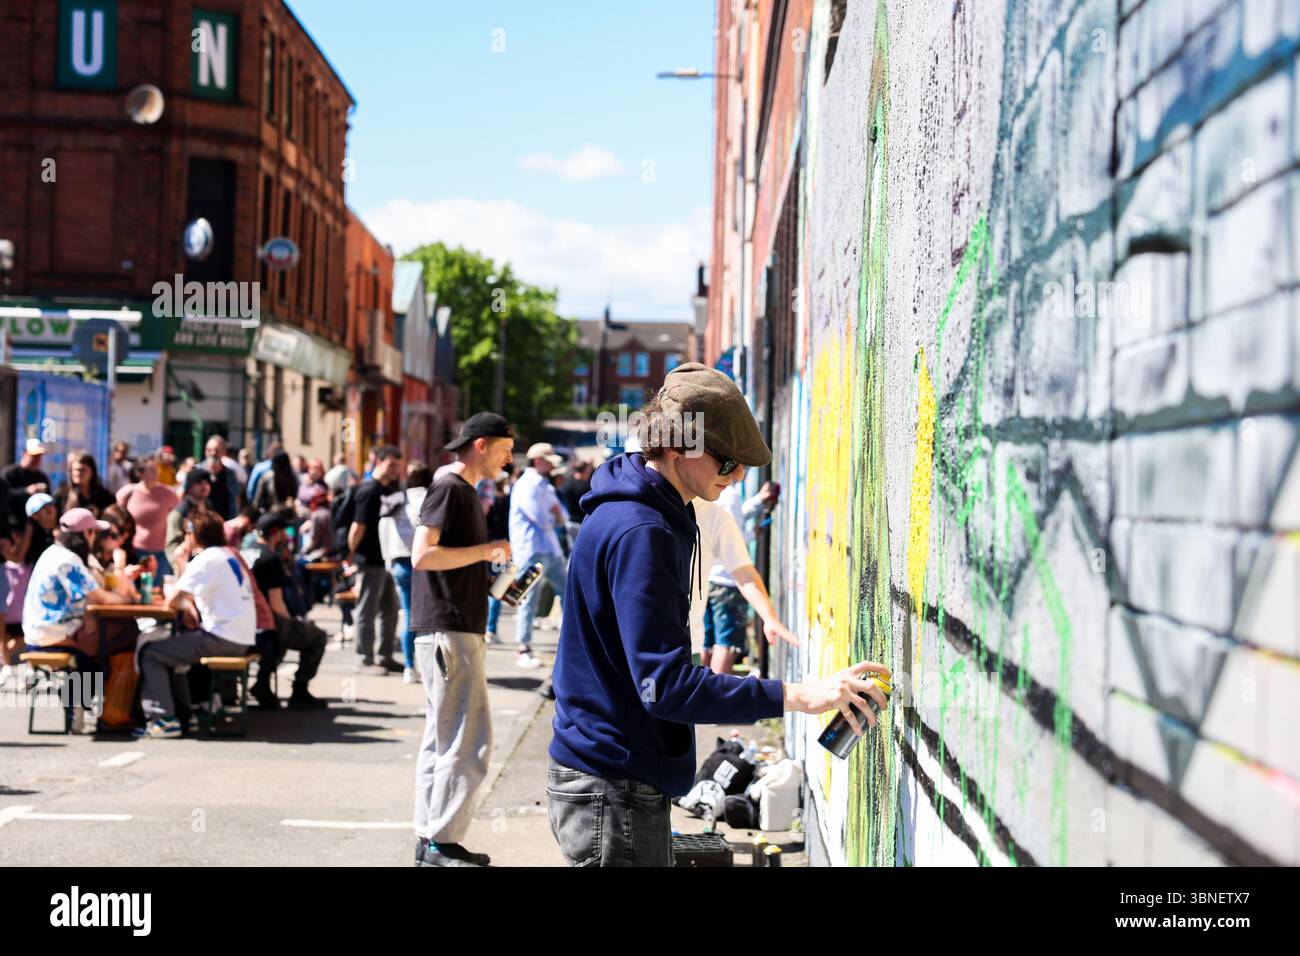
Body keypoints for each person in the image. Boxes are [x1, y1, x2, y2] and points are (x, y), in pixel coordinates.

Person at [547, 363, 890, 866]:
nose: (738, 477)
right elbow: (665, 686)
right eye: (728, 462)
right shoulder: (642, 530)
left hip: (612, 777)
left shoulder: (643, 511)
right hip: (610, 787)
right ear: (677, 445)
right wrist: (797, 695)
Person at [409, 411, 515, 867]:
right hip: (448, 629)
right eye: (506, 451)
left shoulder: (460, 489)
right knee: (468, 740)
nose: (508, 462)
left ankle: (430, 838)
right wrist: (486, 551)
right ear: (481, 445)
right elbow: (423, 555)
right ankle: (441, 842)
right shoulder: (450, 487)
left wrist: (491, 569)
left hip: (449, 627)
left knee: (443, 739)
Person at [135, 509, 257, 738]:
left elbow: (173, 599)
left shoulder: (206, 559)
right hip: (239, 637)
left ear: (193, 534)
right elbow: (187, 596)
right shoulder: (228, 555)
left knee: (151, 653)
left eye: (186, 533)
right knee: (174, 647)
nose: (184, 538)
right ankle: (185, 715)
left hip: (222, 638)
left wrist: (181, 560)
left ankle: (164, 718)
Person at [22, 508, 135, 732]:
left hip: (42, 628)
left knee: (109, 637)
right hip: (51, 633)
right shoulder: (68, 560)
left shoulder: (53, 552)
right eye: (93, 532)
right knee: (126, 635)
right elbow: (100, 597)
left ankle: (92, 706)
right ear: (86, 534)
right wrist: (127, 599)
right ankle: (99, 708)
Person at [242, 512, 328, 710]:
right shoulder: (270, 558)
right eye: (283, 532)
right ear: (276, 533)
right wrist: (295, 623)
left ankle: (263, 682)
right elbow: (276, 603)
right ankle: (300, 690)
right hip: (265, 621)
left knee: (281, 638)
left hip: (244, 620)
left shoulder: (245, 550)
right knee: (317, 637)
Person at [507, 442, 569, 668]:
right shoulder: (527, 485)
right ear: (538, 461)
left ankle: (571, 640)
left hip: (548, 548)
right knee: (528, 599)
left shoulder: (544, 485)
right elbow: (544, 518)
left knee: (568, 592)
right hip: (531, 550)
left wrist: (555, 515)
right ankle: (523, 647)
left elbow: (560, 513)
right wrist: (555, 516)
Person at [347, 445, 404, 674]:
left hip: (388, 558)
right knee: (367, 610)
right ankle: (364, 658)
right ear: (377, 462)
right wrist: (352, 555)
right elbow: (357, 527)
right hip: (370, 559)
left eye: (397, 466)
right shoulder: (368, 490)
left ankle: (384, 655)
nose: (394, 470)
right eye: (391, 465)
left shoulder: (389, 489)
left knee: (390, 611)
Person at [380, 462, 433, 684]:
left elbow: (383, 528)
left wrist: (388, 559)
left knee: (408, 614)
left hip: (398, 560)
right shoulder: (429, 499)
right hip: (422, 561)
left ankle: (409, 667)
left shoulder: (396, 500)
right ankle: (425, 666)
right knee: (425, 617)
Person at [1, 492, 57, 688]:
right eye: (46, 510)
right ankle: (31, 669)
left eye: (52, 507)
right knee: (32, 630)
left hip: (53, 589)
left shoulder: (59, 530)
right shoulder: (32, 532)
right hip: (33, 589)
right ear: (35, 515)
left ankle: (48, 670)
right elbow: (18, 556)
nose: (52, 512)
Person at [116, 454, 180, 577]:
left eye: (156, 470)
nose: (155, 474)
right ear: (140, 473)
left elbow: (177, 517)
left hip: (161, 553)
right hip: (135, 551)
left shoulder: (168, 494)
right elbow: (118, 518)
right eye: (151, 471)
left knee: (158, 592)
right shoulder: (128, 493)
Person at [165, 467, 211, 572]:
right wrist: (182, 566)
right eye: (199, 483)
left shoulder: (210, 510)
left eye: (207, 483)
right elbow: (172, 546)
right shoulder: (179, 513)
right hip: (187, 569)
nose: (204, 486)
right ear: (190, 487)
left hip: (208, 566)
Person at [52, 450, 116, 515]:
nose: (78, 473)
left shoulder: (104, 496)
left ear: (92, 472)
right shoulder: (61, 495)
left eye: (82, 470)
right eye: (75, 470)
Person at [3, 439, 52, 519]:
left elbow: (49, 500)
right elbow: (4, 494)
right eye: (34, 456)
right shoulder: (10, 473)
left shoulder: (42, 477)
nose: (37, 459)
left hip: (35, 525)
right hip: (13, 523)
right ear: (24, 454)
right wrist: (26, 491)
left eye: (39, 456)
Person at [202, 436, 239, 520]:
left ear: (223, 452)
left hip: (224, 523)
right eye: (209, 450)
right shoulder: (197, 473)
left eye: (216, 450)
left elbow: (235, 499)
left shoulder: (230, 474)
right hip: (202, 523)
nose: (213, 453)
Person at [252, 450, 298, 517]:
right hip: (270, 515)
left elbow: (294, 496)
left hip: (287, 516)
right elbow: (258, 500)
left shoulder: (292, 478)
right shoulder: (267, 477)